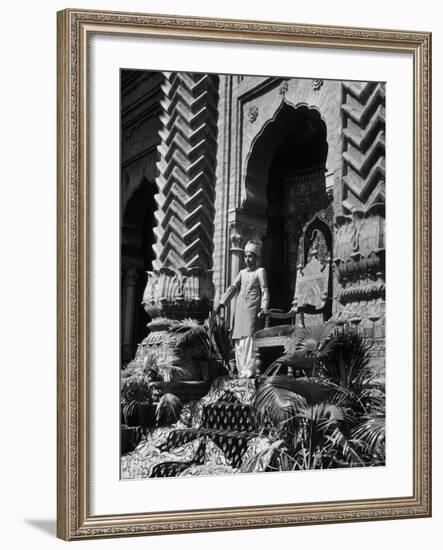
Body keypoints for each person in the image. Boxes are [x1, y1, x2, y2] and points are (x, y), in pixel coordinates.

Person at [214, 241, 269, 378]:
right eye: (245, 256)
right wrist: (222, 303)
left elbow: (265, 290)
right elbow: (233, 287)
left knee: (249, 339)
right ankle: (241, 371)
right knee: (238, 340)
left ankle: (249, 372)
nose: (247, 259)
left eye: (250, 256)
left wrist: (263, 307)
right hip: (240, 308)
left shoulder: (260, 271)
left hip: (252, 308)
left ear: (256, 258)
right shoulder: (242, 273)